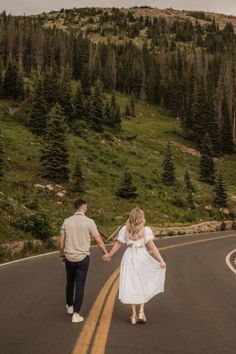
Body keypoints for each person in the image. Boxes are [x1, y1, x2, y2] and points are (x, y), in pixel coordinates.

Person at [103, 208, 166, 324]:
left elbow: (118, 244)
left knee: (131, 283)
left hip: (129, 257)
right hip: (142, 256)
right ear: (142, 217)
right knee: (143, 282)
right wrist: (161, 260)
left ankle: (133, 315)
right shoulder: (146, 230)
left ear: (130, 217)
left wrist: (109, 255)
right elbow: (152, 247)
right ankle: (141, 312)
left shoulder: (124, 229)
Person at [60, 198, 108, 323]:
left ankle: (69, 306)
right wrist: (106, 253)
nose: (86, 208)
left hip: (69, 257)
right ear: (83, 207)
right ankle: (76, 314)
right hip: (83, 258)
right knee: (80, 285)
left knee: (69, 282)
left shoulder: (67, 221)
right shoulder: (89, 222)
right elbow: (98, 240)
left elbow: (61, 241)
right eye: (86, 207)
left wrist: (62, 255)